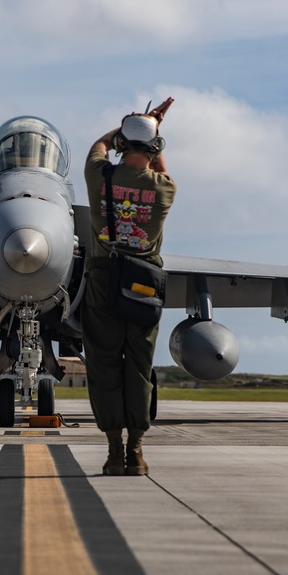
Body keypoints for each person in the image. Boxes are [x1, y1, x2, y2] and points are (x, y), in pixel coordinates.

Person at [81, 98, 176, 476]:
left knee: (104, 365)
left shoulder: (99, 176)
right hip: (145, 283)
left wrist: (121, 131)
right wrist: (155, 128)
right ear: (155, 150)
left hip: (104, 278)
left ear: (122, 144)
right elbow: (160, 167)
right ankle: (136, 452)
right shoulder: (165, 189)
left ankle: (112, 451)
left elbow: (97, 148)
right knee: (139, 366)